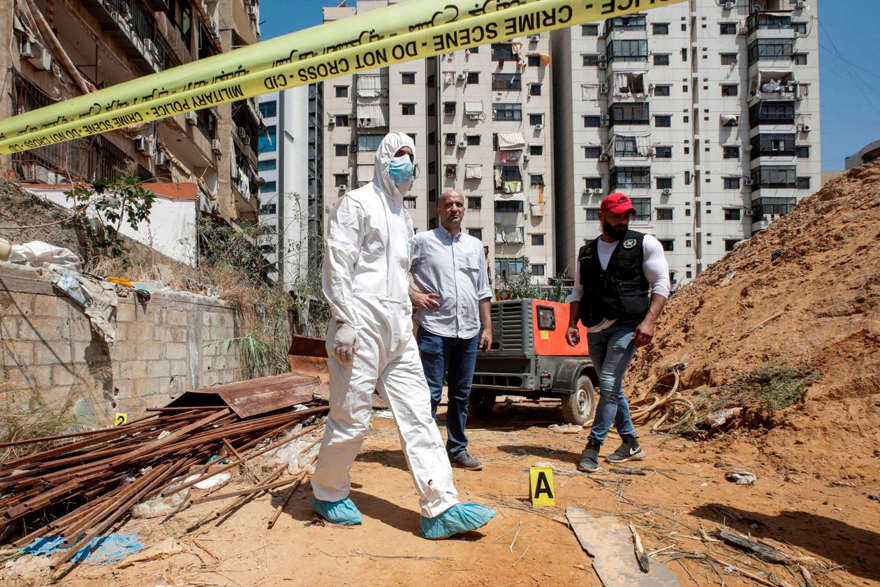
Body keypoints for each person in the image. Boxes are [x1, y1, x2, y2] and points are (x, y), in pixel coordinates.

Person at [311, 132, 496, 538]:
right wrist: (342, 319)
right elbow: (338, 263)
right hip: (360, 321)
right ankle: (327, 491)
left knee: (420, 416)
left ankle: (440, 507)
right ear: (382, 160)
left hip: (398, 325)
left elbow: (399, 273)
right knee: (352, 415)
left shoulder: (403, 215)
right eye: (400, 156)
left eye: (411, 158)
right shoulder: (357, 203)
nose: (407, 164)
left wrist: (409, 301)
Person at [565, 192, 670, 473]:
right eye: (616, 216)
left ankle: (593, 446)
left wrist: (649, 322)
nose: (622, 221)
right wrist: (572, 324)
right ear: (602, 216)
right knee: (612, 388)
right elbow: (578, 291)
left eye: (626, 216)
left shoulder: (644, 244)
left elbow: (661, 284)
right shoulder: (586, 252)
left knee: (609, 383)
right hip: (594, 329)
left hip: (627, 325)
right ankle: (631, 442)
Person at [410, 189, 492, 471]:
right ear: (438, 210)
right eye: (448, 204)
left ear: (464, 209)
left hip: (468, 332)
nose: (454, 208)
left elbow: (483, 291)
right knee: (431, 394)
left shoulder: (474, 246)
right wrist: (413, 295)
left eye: (459, 204)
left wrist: (487, 328)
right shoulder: (422, 241)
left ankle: (457, 450)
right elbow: (393, 271)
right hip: (434, 329)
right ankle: (426, 455)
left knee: (460, 394)